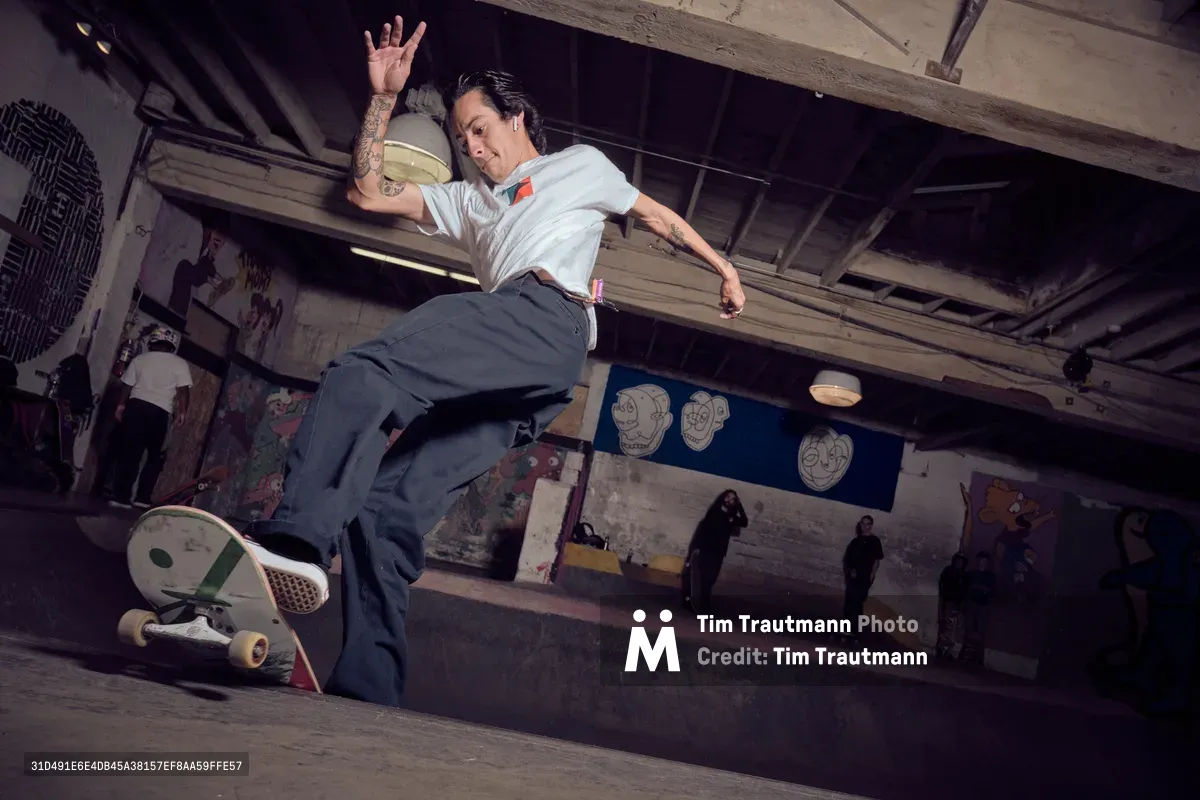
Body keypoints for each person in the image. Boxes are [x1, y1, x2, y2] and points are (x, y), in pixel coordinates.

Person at [238, 16, 747, 708]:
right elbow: (366, 192)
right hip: (521, 382)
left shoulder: (580, 167)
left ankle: (297, 539)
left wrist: (724, 269)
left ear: (517, 117)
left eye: (481, 130)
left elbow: (659, 216)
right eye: (464, 140)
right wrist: (383, 100)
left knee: (365, 372)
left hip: (545, 317)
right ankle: (368, 688)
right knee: (384, 511)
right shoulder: (467, 199)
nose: (474, 149)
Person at [107, 326, 191, 509]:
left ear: (152, 341)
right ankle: (142, 498)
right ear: (172, 345)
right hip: (159, 412)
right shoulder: (180, 364)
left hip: (135, 408)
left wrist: (121, 406)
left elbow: (127, 386)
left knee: (130, 453)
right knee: (154, 457)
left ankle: (121, 497)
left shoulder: (140, 360)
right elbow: (183, 390)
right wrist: (182, 412)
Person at [682, 490, 748, 613]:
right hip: (706, 551)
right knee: (699, 578)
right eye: (728, 497)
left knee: (710, 579)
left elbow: (744, 522)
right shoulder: (714, 512)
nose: (729, 500)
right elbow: (703, 531)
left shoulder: (731, 517)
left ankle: (702, 605)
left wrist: (739, 506)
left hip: (718, 554)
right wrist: (696, 548)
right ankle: (694, 604)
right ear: (723, 497)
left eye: (733, 499)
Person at [842, 515, 883, 639]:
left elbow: (876, 560)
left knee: (857, 602)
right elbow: (847, 559)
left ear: (871, 526)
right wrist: (849, 572)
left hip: (864, 576)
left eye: (868, 524)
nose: (865, 526)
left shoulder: (874, 541)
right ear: (860, 525)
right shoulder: (855, 541)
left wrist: (872, 575)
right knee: (849, 601)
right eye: (863, 524)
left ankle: (854, 629)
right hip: (852, 576)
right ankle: (846, 627)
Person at [960, 551, 996, 666]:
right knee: (968, 629)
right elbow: (965, 589)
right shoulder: (971, 574)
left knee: (980, 632)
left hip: (983, 607)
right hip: (971, 605)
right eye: (980, 561)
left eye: (984, 561)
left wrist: (981, 589)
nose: (982, 563)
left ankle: (977, 658)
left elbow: (993, 592)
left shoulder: (990, 576)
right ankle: (965, 656)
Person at [935, 553, 969, 659]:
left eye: (961, 561)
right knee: (944, 625)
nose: (959, 563)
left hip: (957, 604)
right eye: (958, 561)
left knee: (953, 629)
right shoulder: (948, 571)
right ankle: (941, 648)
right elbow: (942, 585)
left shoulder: (963, 575)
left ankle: (948, 651)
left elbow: (965, 590)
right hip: (947, 602)